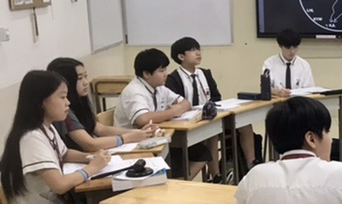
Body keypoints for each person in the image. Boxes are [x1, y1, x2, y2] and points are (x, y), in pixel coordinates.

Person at [0, 70, 179, 204]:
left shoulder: (45, 128)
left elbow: (64, 154)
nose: (68, 102)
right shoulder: (31, 138)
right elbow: (59, 185)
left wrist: (91, 158)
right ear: (41, 102)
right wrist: (91, 168)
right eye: (62, 97)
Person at [166, 37, 260, 180]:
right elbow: (175, 105)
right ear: (181, 56)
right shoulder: (174, 79)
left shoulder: (205, 73)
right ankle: (216, 176)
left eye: (198, 49)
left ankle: (251, 165)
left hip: (211, 117)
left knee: (245, 124)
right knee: (212, 132)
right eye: (192, 50)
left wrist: (210, 107)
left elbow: (216, 97)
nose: (198, 53)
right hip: (191, 123)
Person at [114, 48, 210, 179]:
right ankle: (175, 184)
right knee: (180, 155)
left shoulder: (159, 87)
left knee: (201, 153)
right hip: (133, 144)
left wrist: (176, 110)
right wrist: (172, 112)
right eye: (161, 71)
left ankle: (178, 183)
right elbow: (142, 119)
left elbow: (186, 103)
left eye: (165, 69)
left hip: (154, 138)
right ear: (146, 74)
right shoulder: (135, 91)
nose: (166, 74)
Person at [46, 57, 156, 151]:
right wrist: (127, 137)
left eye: (86, 76)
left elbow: (99, 129)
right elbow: (90, 144)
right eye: (79, 78)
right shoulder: (64, 110)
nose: (86, 82)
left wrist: (138, 132)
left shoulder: (80, 103)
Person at [262, 28, 315, 98]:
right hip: (278, 102)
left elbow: (310, 89)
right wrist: (278, 92)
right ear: (280, 46)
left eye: (295, 47)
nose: (292, 51)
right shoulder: (269, 63)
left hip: (299, 101)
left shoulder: (304, 65)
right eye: (288, 48)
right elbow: (265, 88)